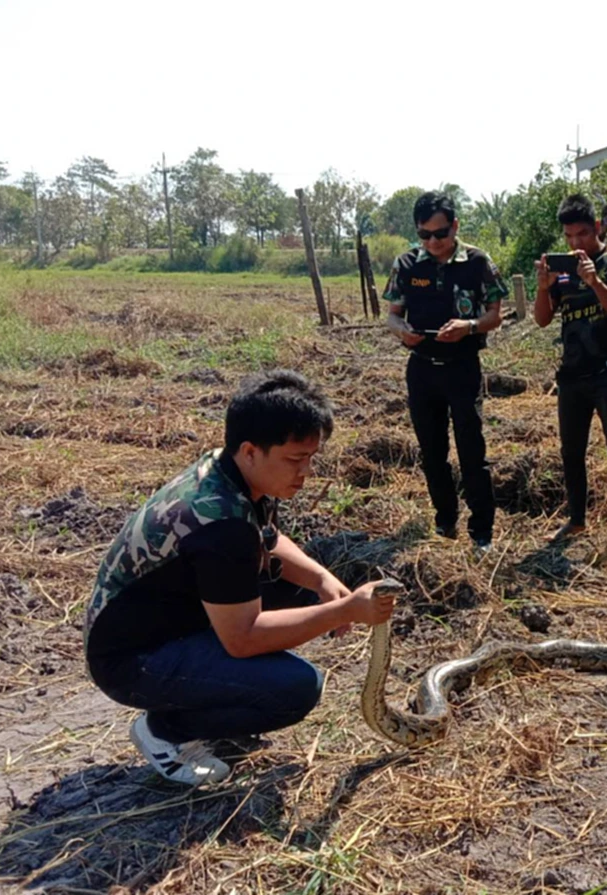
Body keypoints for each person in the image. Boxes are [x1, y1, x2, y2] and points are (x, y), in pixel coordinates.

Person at [84, 371, 397, 786]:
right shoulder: (220, 525)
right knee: (295, 689)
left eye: (310, 458)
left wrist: (322, 580)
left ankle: (217, 701)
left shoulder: (230, 469)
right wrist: (344, 610)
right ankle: (166, 732)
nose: (306, 472)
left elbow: (266, 538)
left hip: (168, 619)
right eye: (294, 459)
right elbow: (243, 638)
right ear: (251, 450)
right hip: (130, 660)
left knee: (304, 594)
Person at [385, 191, 506, 553]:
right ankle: (445, 521)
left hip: (462, 368)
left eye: (440, 233)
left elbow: (495, 315)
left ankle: (481, 531)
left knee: (472, 451)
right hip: (422, 370)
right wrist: (401, 331)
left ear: (455, 226)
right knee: (432, 451)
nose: (433, 242)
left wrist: (469, 326)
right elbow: (393, 313)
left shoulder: (477, 262)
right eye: (424, 235)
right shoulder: (407, 264)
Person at [533, 194, 607, 549]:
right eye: (569, 236)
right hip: (572, 374)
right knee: (571, 452)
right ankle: (576, 520)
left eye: (582, 234)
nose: (576, 243)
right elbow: (542, 318)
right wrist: (543, 287)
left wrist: (595, 282)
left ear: (597, 227)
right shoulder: (561, 268)